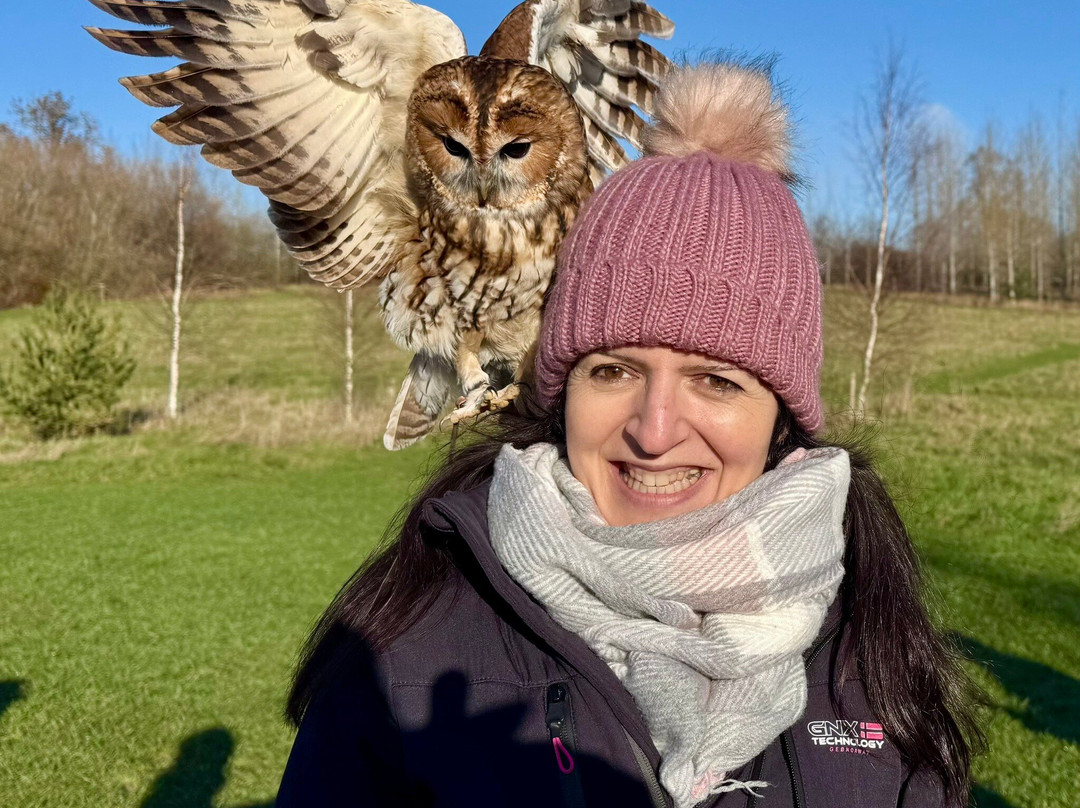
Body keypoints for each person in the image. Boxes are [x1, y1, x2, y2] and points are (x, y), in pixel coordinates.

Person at [277, 61, 980, 808]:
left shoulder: (872, 644)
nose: (654, 430)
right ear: (561, 389)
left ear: (783, 416)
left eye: (717, 380)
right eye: (612, 370)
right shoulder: (404, 653)